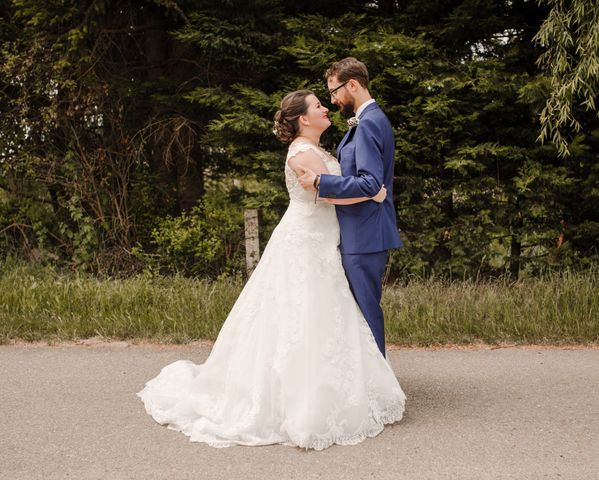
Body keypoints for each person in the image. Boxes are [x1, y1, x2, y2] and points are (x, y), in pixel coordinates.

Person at [136, 89, 405, 451]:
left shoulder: (319, 150)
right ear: (303, 119)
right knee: (298, 314)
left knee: (320, 315)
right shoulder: (301, 153)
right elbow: (325, 194)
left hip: (321, 240)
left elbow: (331, 185)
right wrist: (372, 194)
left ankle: (329, 383)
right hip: (305, 240)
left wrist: (364, 191)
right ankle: (294, 396)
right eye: (317, 106)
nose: (325, 108)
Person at [298, 57, 403, 358]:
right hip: (361, 229)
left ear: (353, 84)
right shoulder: (367, 121)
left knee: (366, 311)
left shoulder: (369, 123)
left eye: (334, 91)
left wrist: (321, 182)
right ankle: (368, 382)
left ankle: (377, 388)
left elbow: (370, 183)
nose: (332, 100)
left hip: (365, 232)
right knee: (359, 311)